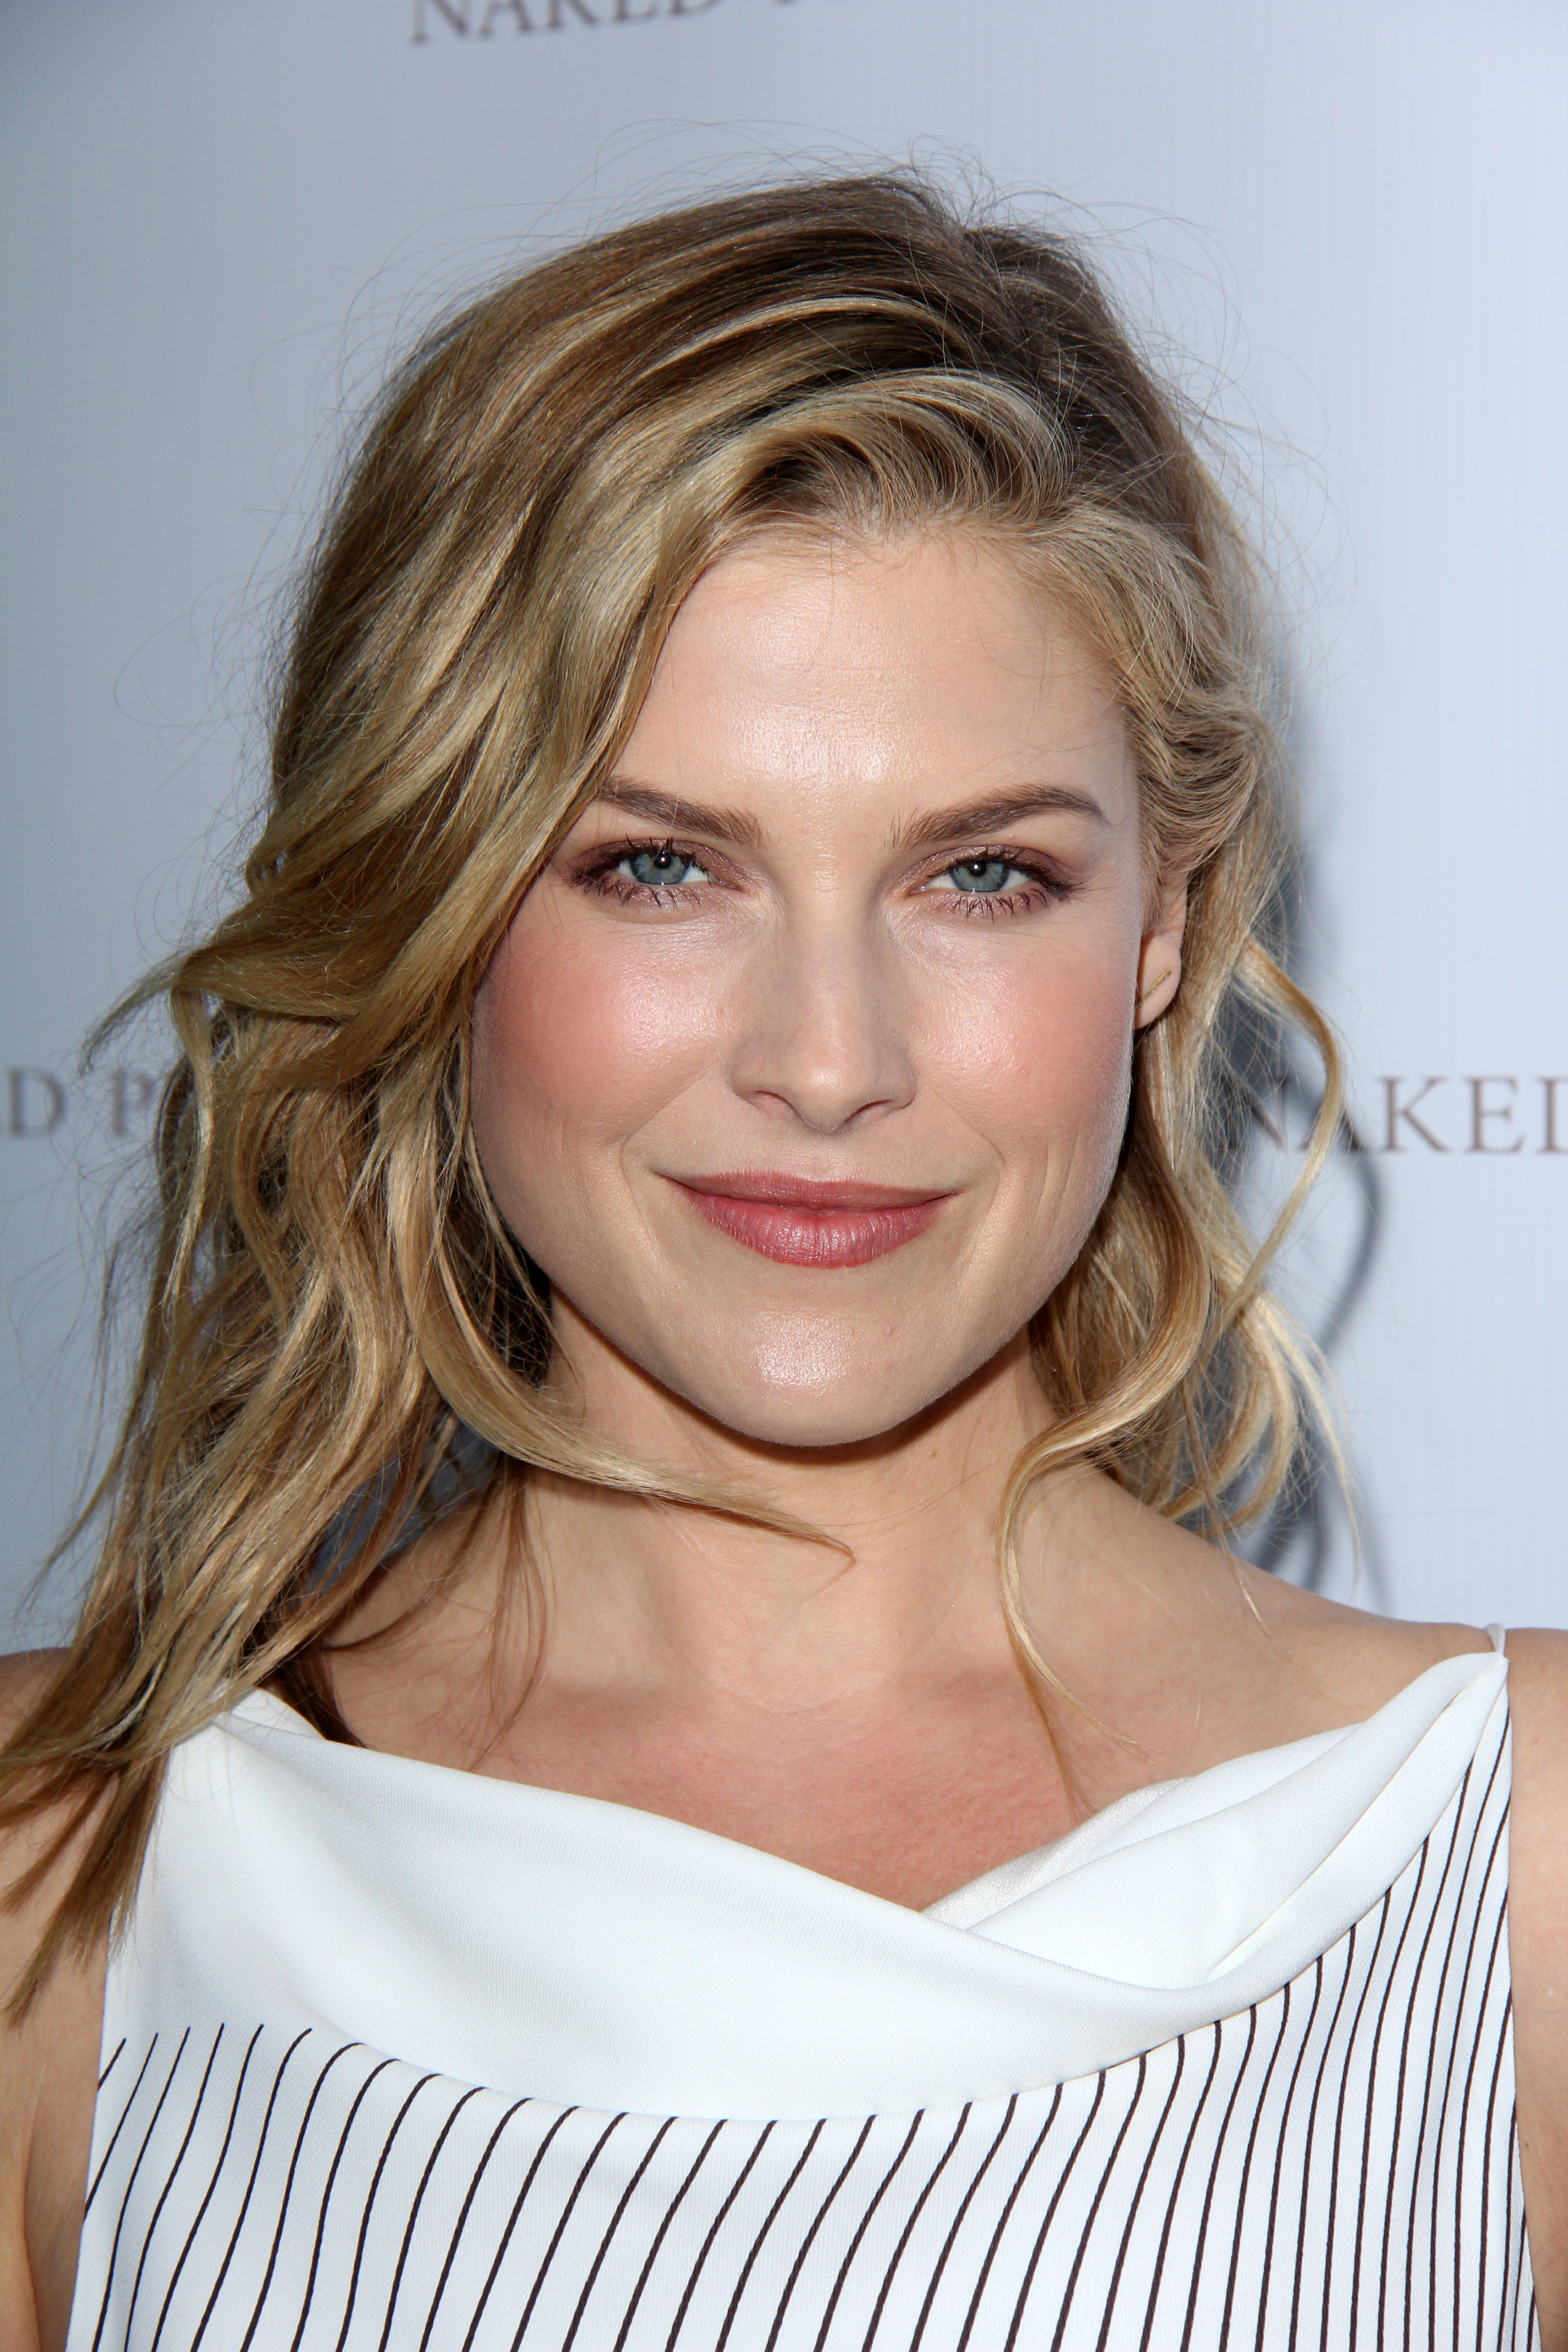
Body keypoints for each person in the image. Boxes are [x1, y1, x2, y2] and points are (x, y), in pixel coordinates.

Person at [0, 172, 1563, 2352]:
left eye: (983, 877)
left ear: (1166, 929)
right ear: (436, 909)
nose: (829, 1063)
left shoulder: (1520, 1861)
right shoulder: (56, 1873)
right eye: (660, 868)